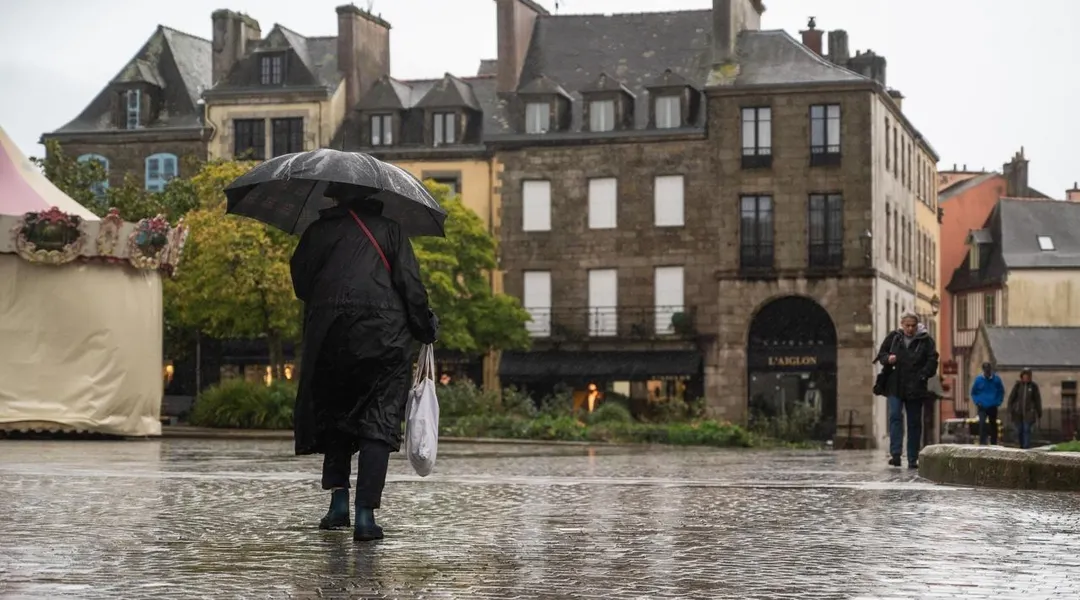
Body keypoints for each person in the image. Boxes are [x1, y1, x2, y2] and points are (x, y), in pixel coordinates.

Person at [289, 184, 439, 542]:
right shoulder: (390, 231)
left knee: (337, 417)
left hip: (330, 336)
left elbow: (301, 284)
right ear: (371, 195)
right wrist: (425, 328)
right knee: (378, 420)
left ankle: (338, 504)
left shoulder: (316, 231)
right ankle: (365, 516)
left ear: (335, 197)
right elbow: (411, 287)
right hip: (384, 340)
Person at [876, 312, 939, 469]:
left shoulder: (925, 340)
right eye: (907, 325)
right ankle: (896, 454)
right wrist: (888, 359)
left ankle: (912, 457)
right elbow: (881, 354)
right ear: (902, 324)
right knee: (895, 417)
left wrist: (923, 374)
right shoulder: (894, 337)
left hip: (916, 386)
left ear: (917, 325)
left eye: (913, 326)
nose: (910, 329)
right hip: (895, 385)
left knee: (914, 423)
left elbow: (933, 360)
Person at [970, 361, 1006, 446]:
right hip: (982, 406)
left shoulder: (996, 380)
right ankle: (982, 442)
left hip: (993, 405)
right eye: (985, 370)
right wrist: (977, 402)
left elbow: (1001, 391)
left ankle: (994, 442)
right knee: (982, 423)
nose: (987, 372)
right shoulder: (979, 380)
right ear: (983, 370)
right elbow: (974, 392)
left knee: (993, 424)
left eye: (988, 370)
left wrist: (998, 402)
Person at [1007, 368, 1042, 449]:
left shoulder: (1033, 387)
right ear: (1022, 376)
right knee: (1019, 430)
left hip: (1029, 412)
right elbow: (1011, 398)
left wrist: (1039, 411)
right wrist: (1010, 409)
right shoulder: (1018, 386)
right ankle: (1020, 445)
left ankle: (1026, 447)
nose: (1026, 378)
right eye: (1024, 376)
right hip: (1017, 413)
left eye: (1028, 376)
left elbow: (1037, 400)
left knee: (1026, 429)